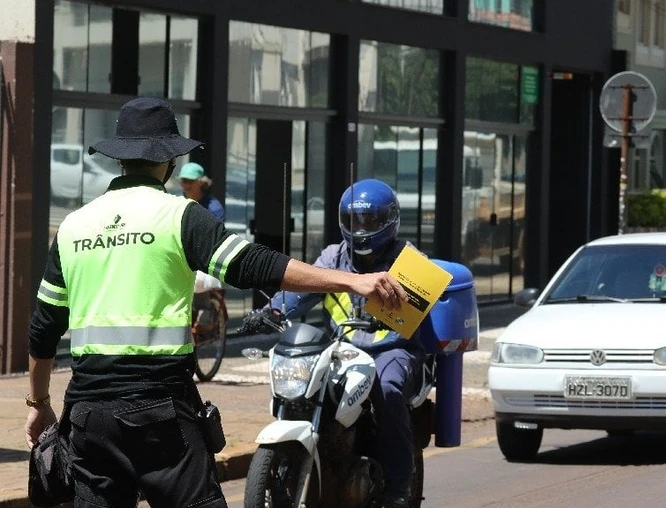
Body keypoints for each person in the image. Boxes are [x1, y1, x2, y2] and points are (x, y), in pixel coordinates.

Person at [24, 97, 406, 508]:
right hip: (161, 417)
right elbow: (255, 265)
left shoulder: (73, 227)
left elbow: (43, 328)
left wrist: (39, 404)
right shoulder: (178, 216)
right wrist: (353, 281)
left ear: (120, 158)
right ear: (169, 161)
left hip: (89, 418)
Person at [244, 178, 422, 508]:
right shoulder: (333, 256)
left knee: (390, 389)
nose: (362, 229)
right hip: (342, 350)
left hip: (391, 349)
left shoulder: (408, 261)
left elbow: (420, 306)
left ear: (389, 221)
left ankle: (398, 482)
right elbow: (305, 288)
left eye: (370, 221)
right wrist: (272, 309)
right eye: (354, 221)